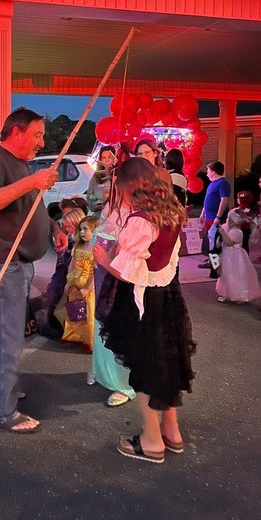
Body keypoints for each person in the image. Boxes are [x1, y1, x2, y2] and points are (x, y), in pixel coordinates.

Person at [0, 107, 68, 434]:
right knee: (8, 339)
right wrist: (31, 181)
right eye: (37, 134)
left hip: (18, 262)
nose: (42, 142)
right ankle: (3, 412)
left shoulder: (19, 163)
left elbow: (28, 208)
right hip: (4, 263)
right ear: (16, 132)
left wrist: (52, 227)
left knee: (8, 336)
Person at [95, 157, 195, 464]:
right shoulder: (171, 211)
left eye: (121, 188)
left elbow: (129, 273)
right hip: (168, 297)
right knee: (166, 362)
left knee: (145, 366)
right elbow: (169, 259)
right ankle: (171, 431)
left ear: (132, 187)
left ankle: (151, 440)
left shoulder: (140, 221)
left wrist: (103, 260)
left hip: (144, 302)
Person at [89, 199, 136, 407]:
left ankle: (123, 383)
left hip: (121, 273)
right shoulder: (112, 203)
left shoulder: (140, 206)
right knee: (102, 321)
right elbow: (101, 228)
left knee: (120, 323)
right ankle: (102, 371)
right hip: (102, 270)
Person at [35, 207, 86, 338]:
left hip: (72, 278)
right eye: (64, 226)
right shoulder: (71, 239)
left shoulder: (81, 243)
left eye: (68, 226)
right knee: (56, 300)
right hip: (63, 275)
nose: (65, 229)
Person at [61, 215, 98, 352]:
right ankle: (73, 336)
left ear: (94, 230)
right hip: (75, 283)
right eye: (81, 229)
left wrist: (88, 288)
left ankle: (89, 340)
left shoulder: (96, 249)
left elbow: (95, 271)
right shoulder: (78, 246)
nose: (82, 232)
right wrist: (68, 282)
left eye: (85, 229)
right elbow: (72, 264)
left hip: (88, 286)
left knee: (88, 313)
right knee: (74, 310)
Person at [215, 210, 261, 303]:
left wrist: (223, 233)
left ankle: (239, 295)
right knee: (226, 275)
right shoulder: (231, 230)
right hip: (227, 256)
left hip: (234, 257)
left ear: (232, 221)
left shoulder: (237, 232)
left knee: (236, 275)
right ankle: (227, 293)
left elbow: (229, 243)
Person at [198, 161, 231, 269]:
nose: (207, 173)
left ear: (213, 172)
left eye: (208, 171)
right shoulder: (212, 184)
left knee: (214, 241)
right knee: (209, 240)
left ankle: (215, 265)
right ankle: (211, 260)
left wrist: (218, 217)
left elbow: (224, 200)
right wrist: (203, 213)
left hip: (215, 218)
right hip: (209, 217)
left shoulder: (223, 183)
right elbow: (208, 199)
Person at [87, 145, 117, 213]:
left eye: (109, 157)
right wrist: (96, 205)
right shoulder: (96, 176)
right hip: (100, 215)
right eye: (104, 158)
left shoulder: (120, 174)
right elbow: (90, 198)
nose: (107, 160)